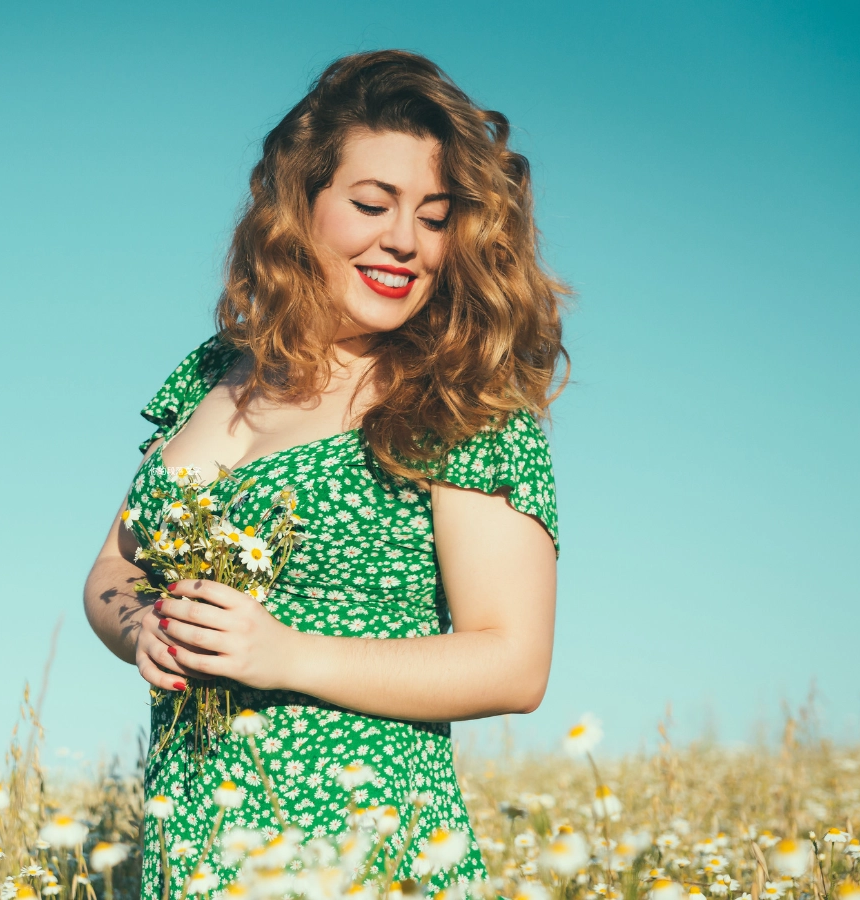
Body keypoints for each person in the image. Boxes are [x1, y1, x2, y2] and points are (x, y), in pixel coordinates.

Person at [81, 50, 567, 897]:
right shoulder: (217, 375)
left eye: (436, 215)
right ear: (300, 205)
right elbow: (115, 568)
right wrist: (141, 629)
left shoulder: (461, 400)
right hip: (189, 836)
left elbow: (513, 663)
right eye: (372, 204)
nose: (405, 241)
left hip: (364, 846)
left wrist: (285, 654)